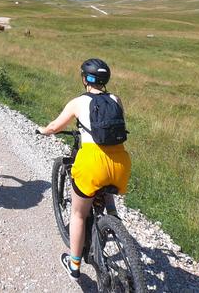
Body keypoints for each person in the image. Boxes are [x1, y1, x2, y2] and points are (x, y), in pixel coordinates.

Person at [37, 58, 131, 280]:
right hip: (121, 162)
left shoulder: (78, 102)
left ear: (85, 79)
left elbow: (55, 127)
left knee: (78, 214)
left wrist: (43, 130)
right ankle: (113, 218)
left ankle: (74, 266)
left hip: (92, 163)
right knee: (107, 187)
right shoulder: (116, 99)